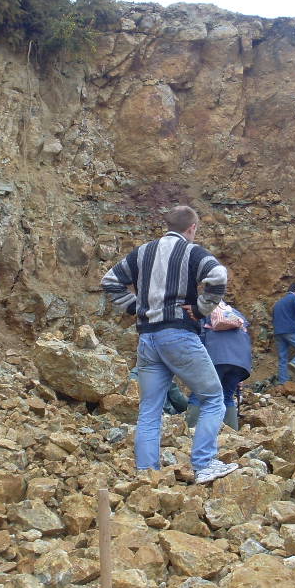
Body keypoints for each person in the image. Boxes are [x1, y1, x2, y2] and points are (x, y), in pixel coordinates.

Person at [101, 205, 238, 484]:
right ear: (192, 228)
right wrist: (201, 308)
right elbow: (218, 276)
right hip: (178, 335)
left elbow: (110, 280)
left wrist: (136, 307)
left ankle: (146, 474)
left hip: (147, 339)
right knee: (213, 398)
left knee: (150, 409)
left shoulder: (142, 252)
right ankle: (204, 464)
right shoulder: (191, 251)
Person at [185, 301, 252, 430]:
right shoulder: (236, 315)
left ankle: (188, 432)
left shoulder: (203, 312)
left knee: (199, 394)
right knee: (227, 396)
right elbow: (244, 339)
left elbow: (199, 338)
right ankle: (232, 435)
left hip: (217, 357)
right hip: (241, 361)